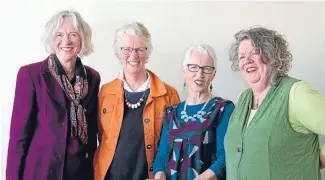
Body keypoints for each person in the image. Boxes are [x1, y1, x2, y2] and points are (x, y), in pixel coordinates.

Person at [6, 10, 100, 180]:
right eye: (59, 34)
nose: (66, 41)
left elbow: (91, 133)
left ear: (82, 39)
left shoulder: (92, 78)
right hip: (40, 173)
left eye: (73, 34)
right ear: (51, 39)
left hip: (78, 173)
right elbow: (18, 137)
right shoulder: (31, 75)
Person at [224, 26, 325, 180]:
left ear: (272, 55)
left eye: (254, 53)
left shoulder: (296, 93)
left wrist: (321, 159)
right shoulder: (243, 98)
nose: (247, 61)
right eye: (241, 56)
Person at [93, 22, 180, 180]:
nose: (133, 55)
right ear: (119, 53)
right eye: (126, 49)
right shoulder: (105, 92)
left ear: (147, 53)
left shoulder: (168, 95)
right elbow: (100, 136)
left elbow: (174, 145)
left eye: (140, 49)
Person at [152, 44, 234, 180]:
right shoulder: (170, 113)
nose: (199, 74)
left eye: (206, 69)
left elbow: (224, 158)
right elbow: (162, 155)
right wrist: (159, 175)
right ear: (184, 71)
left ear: (213, 74)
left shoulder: (223, 109)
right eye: (193, 67)